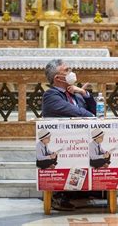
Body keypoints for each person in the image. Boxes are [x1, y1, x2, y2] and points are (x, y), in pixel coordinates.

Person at [41, 59, 96, 210]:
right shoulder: (51, 95)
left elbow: (94, 112)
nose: (71, 72)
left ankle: (86, 190)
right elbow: (79, 113)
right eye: (66, 70)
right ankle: (58, 195)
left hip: (79, 141)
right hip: (61, 145)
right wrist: (92, 117)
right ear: (57, 78)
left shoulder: (74, 93)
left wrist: (84, 93)